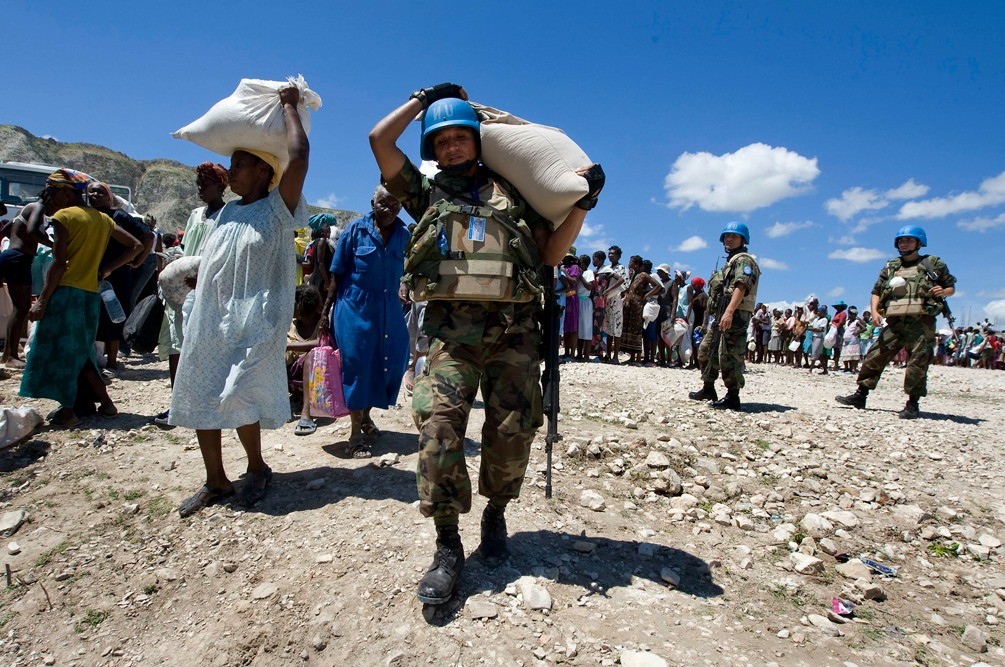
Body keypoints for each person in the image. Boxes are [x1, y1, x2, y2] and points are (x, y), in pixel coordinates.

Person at [369, 83, 603, 605]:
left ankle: (496, 513)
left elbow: (548, 254)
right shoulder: (426, 193)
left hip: (514, 334)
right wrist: (422, 99)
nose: (452, 147)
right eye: (441, 140)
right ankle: (448, 544)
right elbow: (379, 141)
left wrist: (582, 206)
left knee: (512, 430)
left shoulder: (515, 194)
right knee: (438, 428)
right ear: (432, 149)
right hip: (451, 336)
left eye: (460, 137)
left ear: (478, 140)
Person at [170, 84, 310, 516]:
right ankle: (216, 480)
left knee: (239, 392)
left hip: (255, 320)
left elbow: (300, 157)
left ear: (266, 173)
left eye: (240, 165)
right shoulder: (227, 212)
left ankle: (257, 467)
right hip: (210, 318)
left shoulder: (277, 208)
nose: (231, 172)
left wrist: (288, 106)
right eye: (231, 164)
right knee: (199, 391)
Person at [19, 169, 143, 426]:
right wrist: (107, 268)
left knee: (65, 352)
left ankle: (69, 411)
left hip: (65, 292)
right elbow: (136, 246)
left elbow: (59, 263)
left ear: (67, 192)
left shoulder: (64, 217)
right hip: (90, 294)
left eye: (54, 191)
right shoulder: (102, 219)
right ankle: (101, 405)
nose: (51, 197)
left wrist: (42, 299)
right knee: (81, 350)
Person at [320, 186, 409, 454]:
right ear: (372, 202)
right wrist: (325, 312)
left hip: (390, 309)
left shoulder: (404, 234)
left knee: (391, 361)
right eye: (383, 203)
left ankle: (367, 415)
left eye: (395, 203)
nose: (389, 208)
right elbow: (336, 273)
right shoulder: (355, 230)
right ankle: (355, 434)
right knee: (358, 366)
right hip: (355, 308)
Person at [836, 225, 955, 419]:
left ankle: (912, 403)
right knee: (875, 355)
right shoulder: (892, 266)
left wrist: (943, 291)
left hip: (921, 322)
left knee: (917, 363)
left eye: (909, 240)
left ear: (919, 243)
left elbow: (950, 287)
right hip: (894, 321)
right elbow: (876, 291)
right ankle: (861, 395)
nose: (904, 243)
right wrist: (874, 311)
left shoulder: (933, 264)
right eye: (901, 240)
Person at [152, 162, 229, 427]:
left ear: (220, 186)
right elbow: (186, 250)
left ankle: (204, 403)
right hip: (183, 287)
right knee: (176, 343)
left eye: (204, 184)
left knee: (204, 346)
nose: (200, 190)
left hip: (209, 288)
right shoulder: (196, 215)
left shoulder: (229, 214)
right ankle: (178, 404)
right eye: (198, 184)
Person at [687, 222, 760, 410]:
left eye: (734, 236)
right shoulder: (730, 262)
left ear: (743, 239)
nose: (729, 239)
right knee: (706, 351)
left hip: (734, 315)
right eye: (726, 236)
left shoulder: (744, 261)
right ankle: (708, 387)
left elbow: (741, 286)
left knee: (730, 355)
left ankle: (733, 396)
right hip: (721, 315)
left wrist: (729, 312)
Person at [86, 181, 153, 378]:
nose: (95, 195)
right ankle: (94, 360)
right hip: (92, 272)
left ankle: (112, 362)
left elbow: (147, 237)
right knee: (93, 315)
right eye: (91, 192)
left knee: (112, 317)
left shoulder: (119, 216)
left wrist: (137, 262)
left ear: (109, 196)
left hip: (115, 275)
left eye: (100, 192)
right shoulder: (88, 216)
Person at [0, 200, 51, 368]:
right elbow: (33, 231)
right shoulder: (38, 207)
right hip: (19, 259)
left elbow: (6, 231)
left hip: (11, 256)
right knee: (21, 309)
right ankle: (11, 356)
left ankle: (8, 353)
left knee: (19, 309)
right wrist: (54, 245)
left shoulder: (23, 210)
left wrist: (19, 240)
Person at [288, 284, 323, 433]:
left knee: (311, 356)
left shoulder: (322, 323)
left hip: (317, 380)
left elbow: (320, 343)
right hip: (291, 377)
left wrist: (289, 346)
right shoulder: (291, 324)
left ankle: (306, 412)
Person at [620, 255, 662, 364]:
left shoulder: (644, 275)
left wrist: (646, 295)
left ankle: (638, 358)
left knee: (636, 329)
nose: (629, 263)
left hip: (637, 306)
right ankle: (632, 357)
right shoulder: (634, 275)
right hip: (630, 305)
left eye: (631, 262)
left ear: (636, 264)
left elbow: (658, 286)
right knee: (630, 328)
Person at [602, 245, 628, 363]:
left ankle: (616, 357)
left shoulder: (622, 268)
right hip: (606, 300)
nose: (610, 255)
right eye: (609, 253)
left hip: (616, 299)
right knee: (608, 328)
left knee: (616, 328)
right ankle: (608, 355)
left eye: (613, 254)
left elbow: (624, 283)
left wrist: (610, 289)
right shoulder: (606, 268)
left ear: (618, 256)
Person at [305, 213, 335, 293]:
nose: (329, 232)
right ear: (323, 231)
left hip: (318, 277)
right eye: (328, 230)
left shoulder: (316, 242)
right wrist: (326, 281)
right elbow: (320, 263)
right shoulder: (322, 241)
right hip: (320, 279)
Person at [560, 249, 581, 359]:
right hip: (564, 298)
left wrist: (565, 272)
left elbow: (573, 282)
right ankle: (566, 352)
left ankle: (572, 353)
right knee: (566, 327)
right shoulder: (562, 266)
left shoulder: (575, 268)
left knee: (573, 327)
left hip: (572, 298)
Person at [684, 276, 707, 369]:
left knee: (698, 343)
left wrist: (704, 324)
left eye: (693, 284)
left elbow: (706, 310)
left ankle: (699, 363)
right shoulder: (694, 295)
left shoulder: (704, 296)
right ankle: (692, 362)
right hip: (693, 320)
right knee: (692, 341)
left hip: (700, 321)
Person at [575, 254, 595, 361]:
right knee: (579, 328)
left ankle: (586, 355)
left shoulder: (589, 273)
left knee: (586, 328)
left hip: (585, 301)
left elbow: (589, 286)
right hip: (578, 301)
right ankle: (578, 354)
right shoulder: (578, 272)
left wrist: (581, 276)